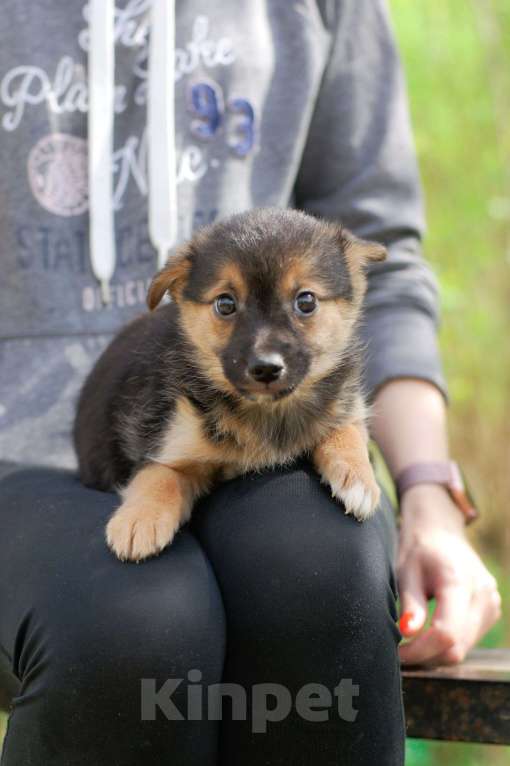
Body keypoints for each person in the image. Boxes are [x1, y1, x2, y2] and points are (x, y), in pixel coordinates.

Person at [0, 1, 501, 764]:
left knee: (319, 573)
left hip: (277, 424)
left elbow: (380, 261)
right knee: (133, 625)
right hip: (28, 459)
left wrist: (428, 495)